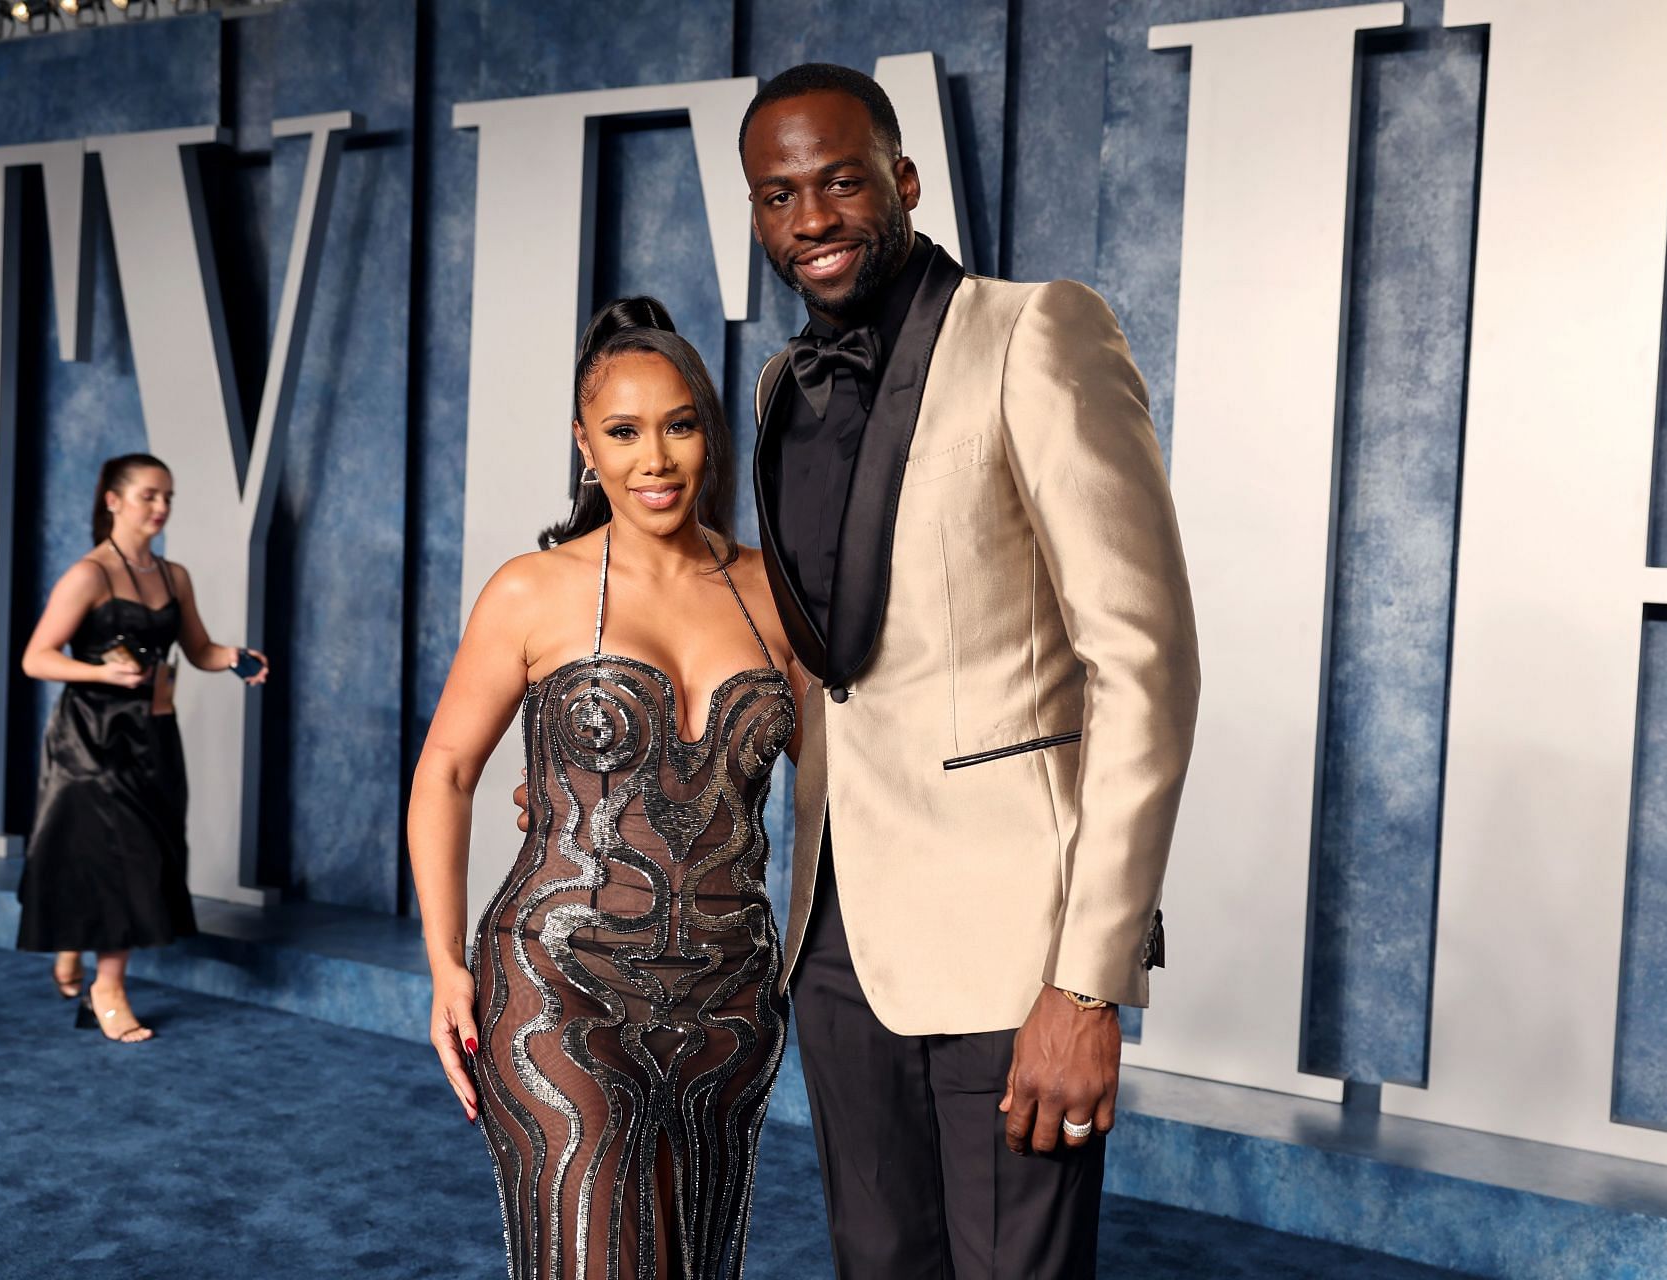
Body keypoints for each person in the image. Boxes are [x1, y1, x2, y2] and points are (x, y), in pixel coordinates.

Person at [738, 64, 1200, 1277]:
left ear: (902, 180)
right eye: (778, 196)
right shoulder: (781, 386)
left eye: (839, 181)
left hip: (1013, 947)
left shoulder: (1037, 330)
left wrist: (1089, 982)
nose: (812, 220)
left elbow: (1144, 667)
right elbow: (821, 672)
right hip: (836, 941)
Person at [408, 298, 802, 1279]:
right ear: (586, 446)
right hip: (557, 982)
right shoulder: (531, 589)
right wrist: (444, 963)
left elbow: (854, 785)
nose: (654, 459)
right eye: (624, 432)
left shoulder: (773, 590)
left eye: (676, 424)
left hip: (730, 996)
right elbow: (446, 772)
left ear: (707, 428)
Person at [16, 452, 270, 1043]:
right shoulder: (88, 575)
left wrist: (234, 659)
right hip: (92, 740)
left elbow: (199, 650)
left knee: (145, 854)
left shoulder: (173, 575)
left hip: (154, 738)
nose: (161, 508)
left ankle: (73, 945)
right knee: (118, 856)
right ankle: (106, 990)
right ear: (113, 500)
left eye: (168, 497)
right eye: (149, 496)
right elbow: (36, 657)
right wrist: (103, 675)